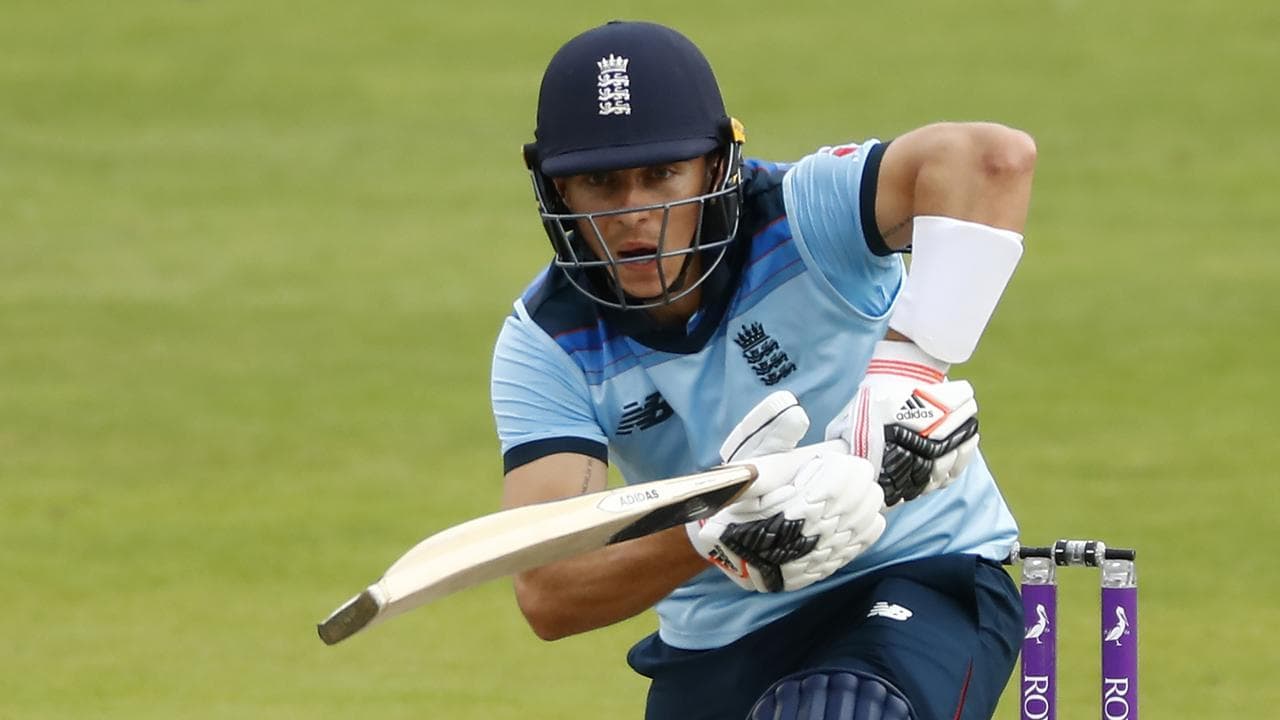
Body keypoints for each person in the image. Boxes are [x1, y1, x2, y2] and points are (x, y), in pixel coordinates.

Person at [492, 20, 1036, 720]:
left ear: (718, 164)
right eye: (600, 183)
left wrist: (911, 369)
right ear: (557, 189)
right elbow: (550, 591)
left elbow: (994, 160)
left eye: (661, 174)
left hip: (916, 575)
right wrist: (710, 535)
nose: (635, 215)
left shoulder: (803, 214)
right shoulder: (548, 342)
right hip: (724, 637)